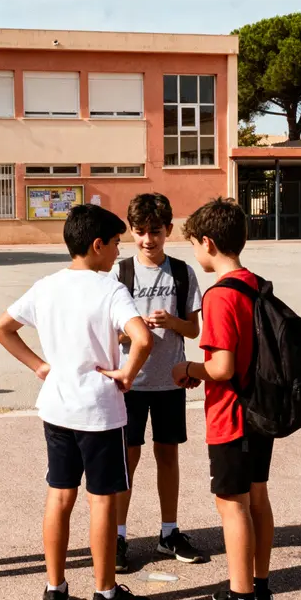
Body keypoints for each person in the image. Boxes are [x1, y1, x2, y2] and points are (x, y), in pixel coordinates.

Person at [0, 204, 156, 600]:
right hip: (99, 410)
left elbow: (1, 328)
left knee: (59, 496)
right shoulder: (110, 289)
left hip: (57, 407)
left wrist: (40, 366)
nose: (119, 253)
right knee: (102, 500)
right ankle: (105, 593)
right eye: (116, 244)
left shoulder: (46, 286)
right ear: (97, 245)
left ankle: (55, 590)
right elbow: (142, 339)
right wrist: (127, 375)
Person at [170, 198, 273, 600]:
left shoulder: (219, 296)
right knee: (257, 500)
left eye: (193, 243)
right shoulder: (255, 283)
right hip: (260, 410)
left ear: (207, 243)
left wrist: (189, 370)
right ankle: (259, 589)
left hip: (231, 415)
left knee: (231, 506)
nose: (194, 251)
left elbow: (222, 368)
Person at [108, 193, 206, 573]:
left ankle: (169, 532)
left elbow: (193, 329)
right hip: (130, 382)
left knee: (168, 456)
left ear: (169, 230)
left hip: (169, 380)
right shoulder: (120, 273)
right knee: (126, 459)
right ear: (132, 231)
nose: (148, 239)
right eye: (140, 231)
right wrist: (132, 334)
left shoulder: (182, 272)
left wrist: (171, 323)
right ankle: (118, 535)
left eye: (156, 231)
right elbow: (109, 332)